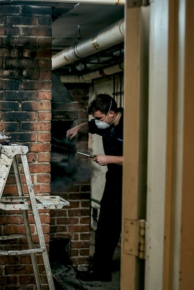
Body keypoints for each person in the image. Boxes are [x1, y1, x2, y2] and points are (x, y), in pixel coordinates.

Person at [67, 94, 124, 282]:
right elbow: (91, 126)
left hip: (131, 181)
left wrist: (109, 159)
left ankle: (102, 272)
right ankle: (101, 271)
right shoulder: (106, 124)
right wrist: (78, 128)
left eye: (100, 118)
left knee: (110, 227)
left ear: (112, 113)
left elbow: (138, 157)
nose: (98, 122)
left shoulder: (131, 126)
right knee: (105, 226)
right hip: (114, 179)